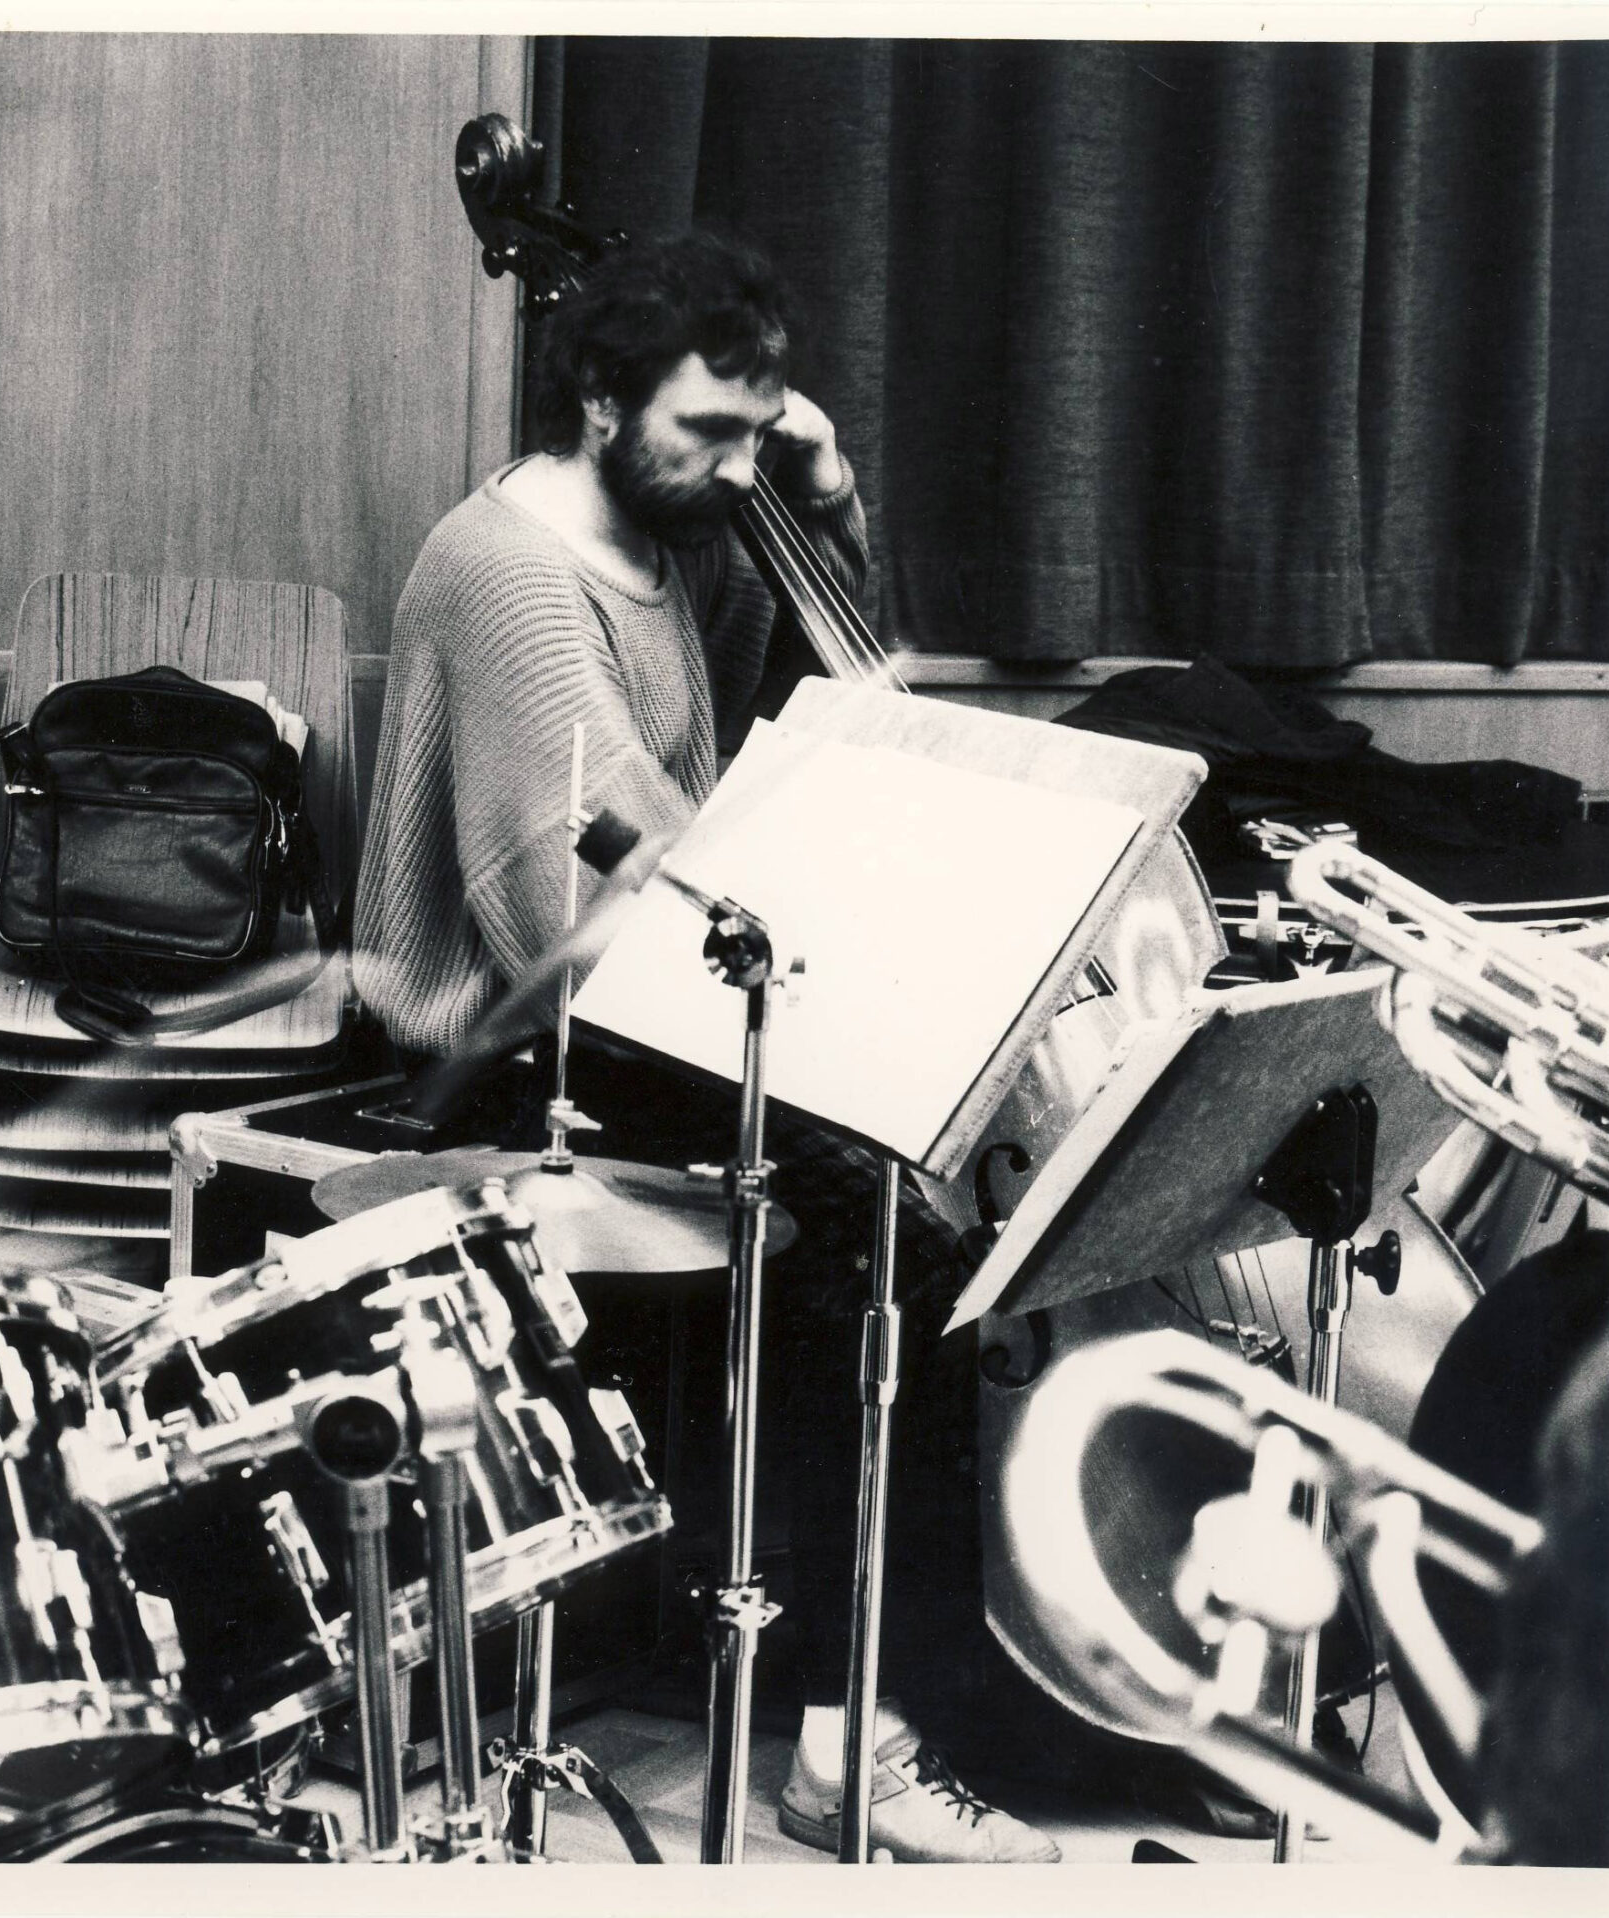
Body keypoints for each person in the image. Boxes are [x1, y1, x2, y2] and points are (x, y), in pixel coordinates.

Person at [356, 231, 1058, 1863]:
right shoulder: (513, 573)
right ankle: (850, 1736)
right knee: (882, 1237)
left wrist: (827, 498)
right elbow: (567, 914)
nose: (738, 468)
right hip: (511, 1035)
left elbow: (814, 716)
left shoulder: (673, 538)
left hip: (649, 993)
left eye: (756, 434)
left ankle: (894, 1686)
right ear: (602, 401)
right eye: (707, 432)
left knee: (916, 1186)